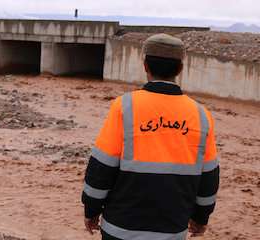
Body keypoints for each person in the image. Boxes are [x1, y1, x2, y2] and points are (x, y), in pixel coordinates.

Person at [81, 33, 220, 240]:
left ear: (145, 65)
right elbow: (209, 177)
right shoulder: (201, 114)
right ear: (180, 69)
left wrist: (91, 210)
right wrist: (201, 218)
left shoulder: (124, 106)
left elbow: (101, 167)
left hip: (120, 230)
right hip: (172, 231)